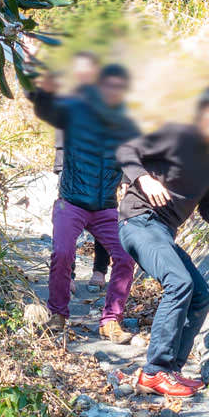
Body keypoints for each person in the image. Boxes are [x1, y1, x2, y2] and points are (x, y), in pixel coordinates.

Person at [115, 85, 209, 397]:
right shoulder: (177, 135)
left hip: (162, 233)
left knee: (202, 297)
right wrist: (143, 178)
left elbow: (208, 203)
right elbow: (125, 151)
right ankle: (153, 371)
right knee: (179, 282)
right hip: (139, 221)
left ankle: (171, 369)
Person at [29, 62, 140, 342]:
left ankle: (110, 321)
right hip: (72, 202)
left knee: (126, 257)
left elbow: (132, 157)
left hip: (105, 207)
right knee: (63, 253)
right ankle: (58, 314)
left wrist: (130, 177)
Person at [51, 51, 112, 290]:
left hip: (104, 168)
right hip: (73, 167)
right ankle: (69, 275)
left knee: (103, 213)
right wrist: (59, 166)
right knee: (68, 220)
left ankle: (99, 270)